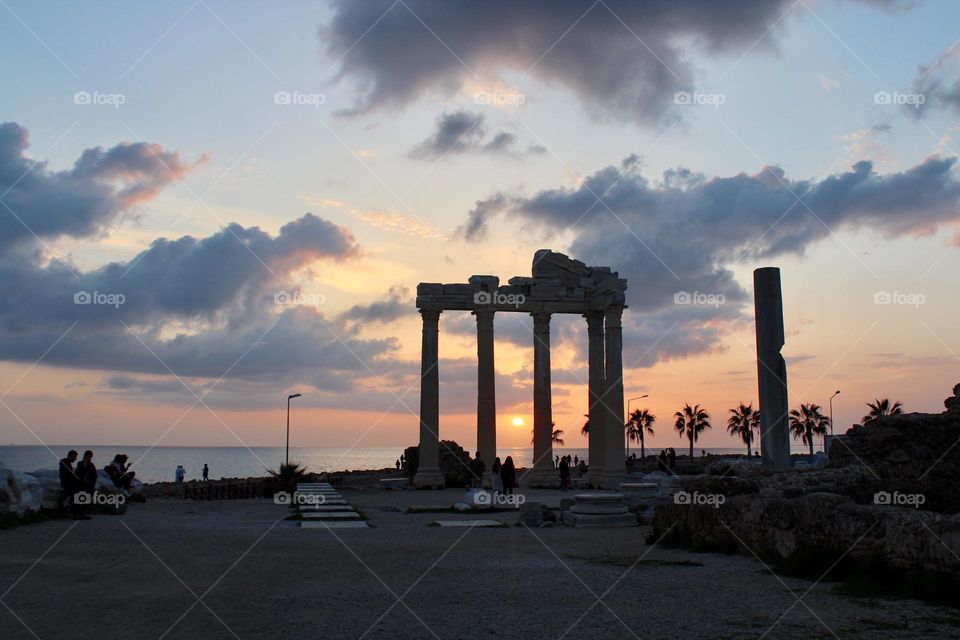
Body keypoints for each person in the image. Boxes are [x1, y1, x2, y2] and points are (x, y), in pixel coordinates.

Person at [75, 451, 97, 520]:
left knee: (86, 500)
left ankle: (82, 513)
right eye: (88, 456)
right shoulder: (80, 463)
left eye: (90, 456)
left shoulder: (91, 465)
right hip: (81, 485)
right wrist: (83, 476)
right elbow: (77, 473)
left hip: (89, 485)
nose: (89, 458)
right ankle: (78, 514)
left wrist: (88, 476)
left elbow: (94, 475)